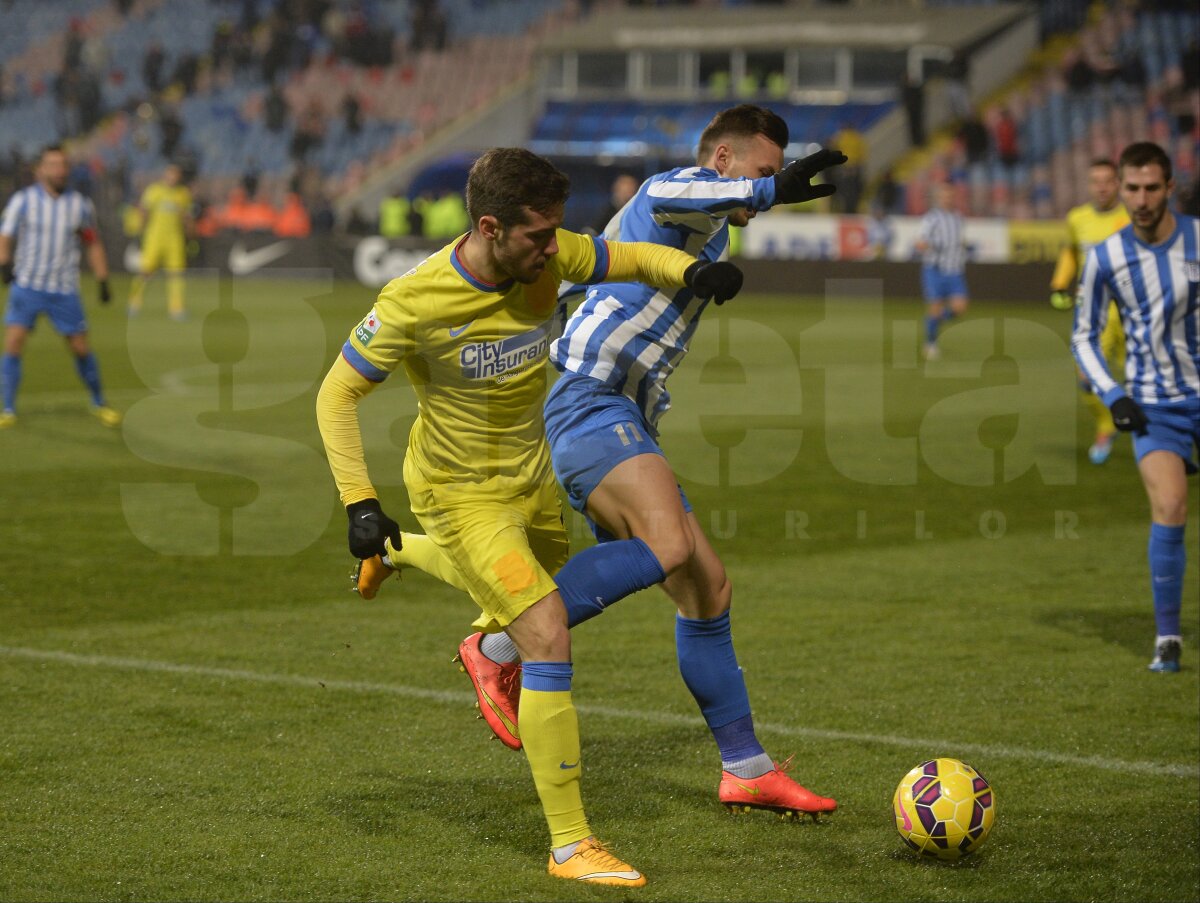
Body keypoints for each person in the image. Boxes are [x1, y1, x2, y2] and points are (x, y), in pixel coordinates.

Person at [359, 107, 846, 823]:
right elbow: (680, 195)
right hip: (589, 399)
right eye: (761, 171)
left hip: (624, 413)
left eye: (775, 176)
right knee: (668, 545)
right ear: (720, 160)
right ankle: (497, 644)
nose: (767, 186)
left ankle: (746, 768)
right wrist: (770, 194)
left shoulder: (699, 230)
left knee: (706, 586)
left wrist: (752, 206)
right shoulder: (673, 193)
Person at [316, 147, 744, 887]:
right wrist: (359, 498)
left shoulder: (546, 258)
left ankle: (399, 558)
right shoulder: (414, 300)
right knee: (544, 627)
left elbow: (631, 257)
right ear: (489, 227)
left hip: (533, 479)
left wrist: (691, 273)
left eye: (555, 236)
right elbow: (335, 395)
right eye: (539, 238)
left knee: (523, 608)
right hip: (459, 492)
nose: (554, 251)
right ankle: (571, 844)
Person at [1071, 141, 1199, 674]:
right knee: (1169, 507)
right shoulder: (1106, 256)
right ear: (1121, 190)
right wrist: (1114, 394)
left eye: (1151, 188)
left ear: (1170, 188)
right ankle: (1168, 636)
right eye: (1132, 189)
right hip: (1154, 406)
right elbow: (1083, 336)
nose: (1141, 199)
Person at [0, 144, 118, 429]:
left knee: (80, 347)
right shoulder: (23, 201)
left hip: (64, 289)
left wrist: (102, 279)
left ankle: (99, 401)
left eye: (63, 165)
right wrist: (4, 265)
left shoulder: (79, 205)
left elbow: (92, 242)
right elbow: (5, 235)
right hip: (27, 285)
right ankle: (7, 408)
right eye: (53, 165)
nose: (59, 170)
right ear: (40, 170)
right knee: (14, 343)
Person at [1049, 158, 1129, 464]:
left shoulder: (1133, 217)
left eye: (1108, 180)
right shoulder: (1077, 218)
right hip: (1093, 312)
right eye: (1096, 181)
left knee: (1144, 379)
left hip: (1133, 312)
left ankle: (1162, 438)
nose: (1102, 187)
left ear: (1119, 184)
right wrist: (1059, 283)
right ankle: (1106, 424)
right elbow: (1070, 250)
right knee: (1085, 377)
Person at [128, 163, 193, 320]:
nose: (172, 177)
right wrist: (140, 229)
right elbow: (144, 210)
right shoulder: (155, 191)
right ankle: (134, 303)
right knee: (146, 272)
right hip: (155, 237)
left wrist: (190, 234)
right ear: (165, 175)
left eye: (175, 174)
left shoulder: (183, 194)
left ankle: (176, 308)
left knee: (176, 274)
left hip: (175, 239)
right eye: (170, 174)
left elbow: (187, 217)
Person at [916, 181, 968, 361]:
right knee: (935, 307)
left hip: (954, 270)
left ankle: (932, 320)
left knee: (960, 308)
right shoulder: (931, 219)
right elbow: (921, 243)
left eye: (950, 195)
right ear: (938, 198)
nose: (948, 199)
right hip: (935, 270)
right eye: (944, 196)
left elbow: (960, 242)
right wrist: (935, 245)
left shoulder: (958, 218)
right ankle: (930, 343)